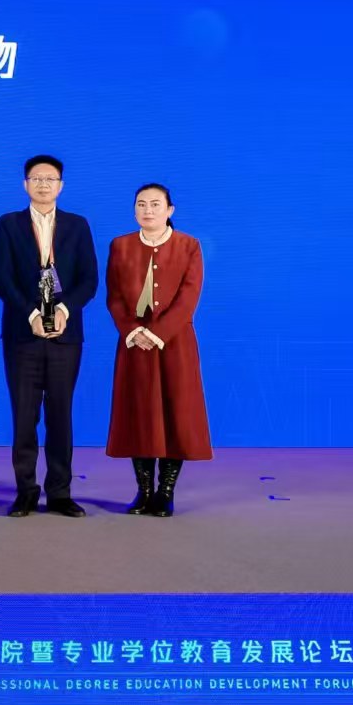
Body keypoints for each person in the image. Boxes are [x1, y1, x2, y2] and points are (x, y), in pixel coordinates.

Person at [0, 155, 99, 518]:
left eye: (50, 179)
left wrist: (64, 310)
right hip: (23, 334)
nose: (43, 184)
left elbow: (89, 279)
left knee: (60, 415)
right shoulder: (8, 224)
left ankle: (60, 492)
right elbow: (2, 279)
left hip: (66, 336)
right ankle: (25, 491)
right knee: (24, 416)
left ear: (61, 186)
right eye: (36, 178)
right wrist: (33, 314)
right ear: (25, 184)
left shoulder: (77, 225)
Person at [105, 183, 211, 518]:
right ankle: (144, 490)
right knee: (139, 414)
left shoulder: (188, 246)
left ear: (170, 210)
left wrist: (158, 332)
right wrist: (133, 331)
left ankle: (165, 492)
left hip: (175, 344)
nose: (147, 210)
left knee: (175, 412)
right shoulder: (120, 245)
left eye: (155, 204)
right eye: (141, 204)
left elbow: (188, 298)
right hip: (134, 344)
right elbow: (114, 296)